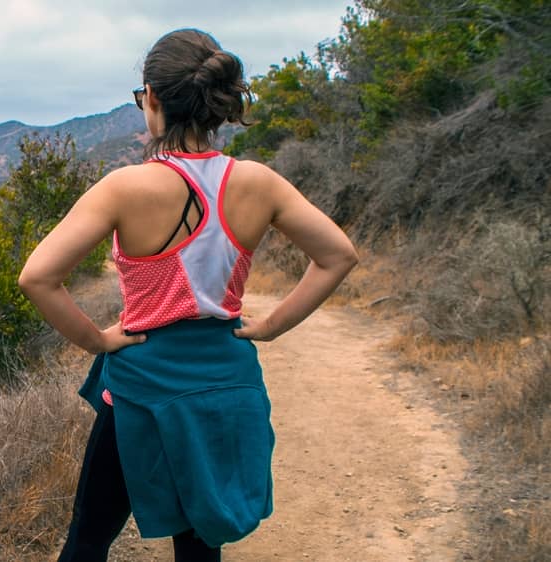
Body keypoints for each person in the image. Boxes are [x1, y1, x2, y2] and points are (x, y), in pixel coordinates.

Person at [18, 28, 358, 562]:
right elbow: (338, 255)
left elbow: (37, 277)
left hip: (140, 390)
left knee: (89, 539)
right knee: (202, 543)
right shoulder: (259, 183)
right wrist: (269, 327)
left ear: (152, 97)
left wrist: (99, 341)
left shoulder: (124, 188)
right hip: (224, 387)